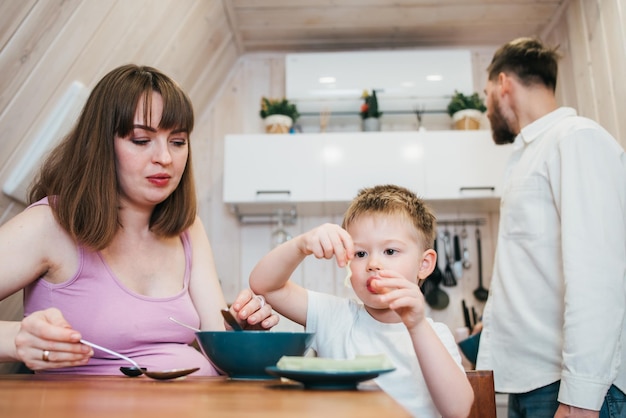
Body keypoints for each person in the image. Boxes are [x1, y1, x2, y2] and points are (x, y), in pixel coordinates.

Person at [0, 64, 278, 375]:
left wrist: (243, 331)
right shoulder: (50, 225)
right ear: (101, 145)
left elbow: (218, 342)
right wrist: (15, 339)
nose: (166, 158)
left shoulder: (188, 230)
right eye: (141, 140)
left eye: (177, 141)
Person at [476, 37, 626, 417]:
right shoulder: (530, 154)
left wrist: (581, 397)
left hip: (572, 389)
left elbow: (599, 276)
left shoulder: (576, 138)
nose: (485, 104)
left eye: (486, 92)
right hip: (532, 384)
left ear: (504, 83)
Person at [249, 184, 473, 418]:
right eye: (360, 254)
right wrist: (301, 245)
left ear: (424, 264)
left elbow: (458, 411)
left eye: (390, 251)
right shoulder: (334, 317)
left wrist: (416, 326)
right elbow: (265, 285)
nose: (373, 264)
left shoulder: (436, 334)